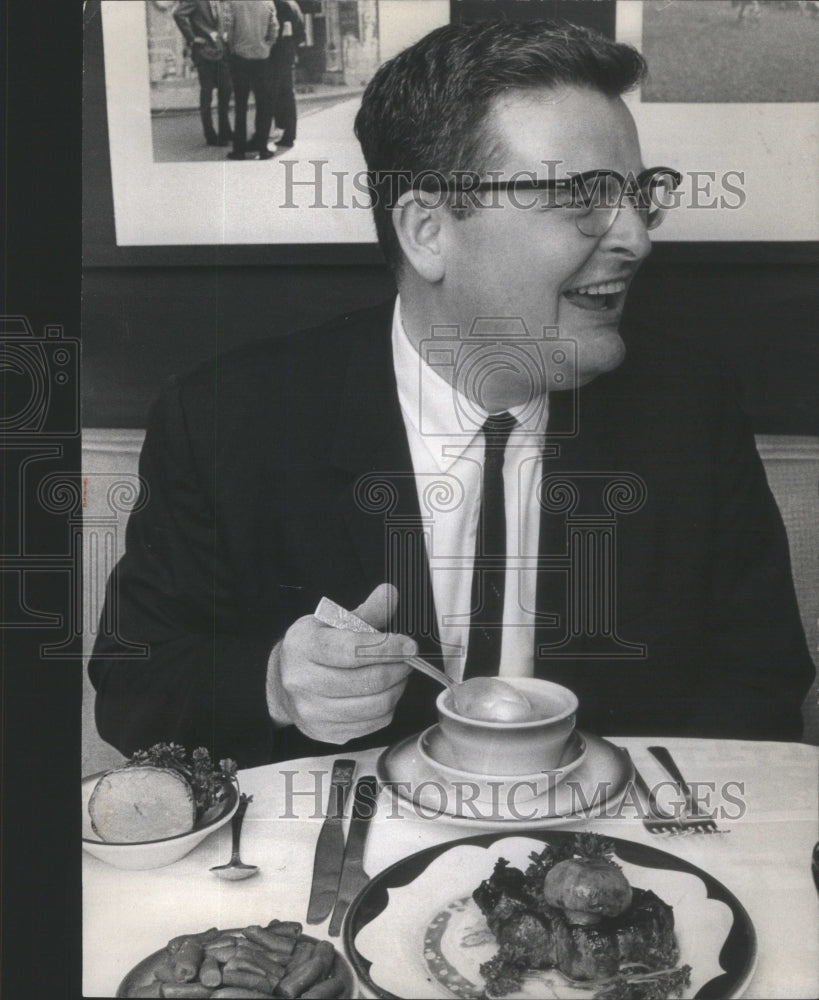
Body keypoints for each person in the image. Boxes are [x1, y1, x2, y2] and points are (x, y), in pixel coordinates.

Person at [90, 20, 814, 768]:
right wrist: (274, 683)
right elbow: (133, 685)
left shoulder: (688, 411)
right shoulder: (225, 420)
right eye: (583, 198)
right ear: (428, 230)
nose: (635, 237)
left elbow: (760, 686)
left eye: (638, 195)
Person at [173, 0, 234, 146]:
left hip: (220, 52)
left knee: (225, 91)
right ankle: (210, 134)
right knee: (207, 95)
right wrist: (192, 38)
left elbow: (220, 22)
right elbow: (178, 14)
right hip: (204, 53)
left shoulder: (219, 2)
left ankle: (225, 130)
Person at [223, 0, 278, 160]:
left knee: (240, 105)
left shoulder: (234, 4)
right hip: (262, 58)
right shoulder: (268, 3)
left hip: (240, 58)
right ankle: (262, 148)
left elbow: (228, 31)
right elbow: (274, 29)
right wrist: (266, 46)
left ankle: (239, 150)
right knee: (263, 104)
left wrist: (234, 48)